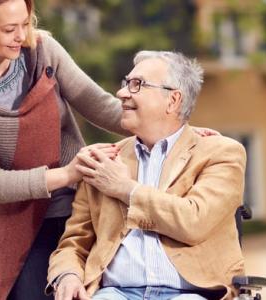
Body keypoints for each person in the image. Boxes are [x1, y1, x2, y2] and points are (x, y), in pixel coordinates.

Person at [0, 1, 215, 299]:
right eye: (9, 29)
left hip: (79, 208)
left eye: (26, 23)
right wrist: (68, 173)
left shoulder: (43, 51)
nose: (22, 35)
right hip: (21, 221)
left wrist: (173, 128)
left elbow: (99, 105)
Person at [46, 51, 247, 300]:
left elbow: (194, 221)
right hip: (114, 293)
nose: (121, 93)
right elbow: (74, 242)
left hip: (189, 294)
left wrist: (125, 188)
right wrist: (67, 274)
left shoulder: (221, 153)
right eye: (125, 83)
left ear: (173, 100)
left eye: (137, 84)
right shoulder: (104, 159)